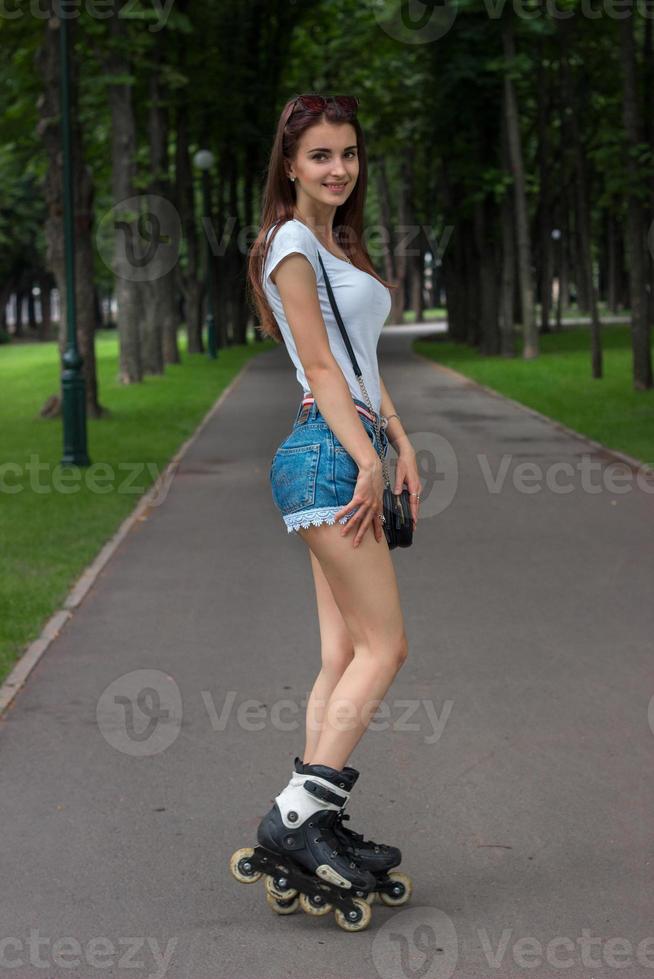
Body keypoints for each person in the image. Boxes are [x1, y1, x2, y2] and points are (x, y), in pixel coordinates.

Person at [245, 94, 421, 903]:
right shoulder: (289, 242)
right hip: (328, 454)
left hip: (341, 446)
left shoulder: (333, 244)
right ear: (289, 165)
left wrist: (399, 440)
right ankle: (298, 815)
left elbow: (361, 364)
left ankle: (315, 818)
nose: (338, 168)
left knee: (343, 657)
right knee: (386, 648)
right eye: (320, 155)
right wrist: (366, 460)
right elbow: (320, 368)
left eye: (348, 153)